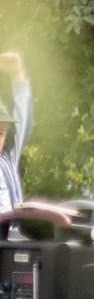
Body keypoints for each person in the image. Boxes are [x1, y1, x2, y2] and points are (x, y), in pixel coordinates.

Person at [0, 51, 30, 214]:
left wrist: (17, 74)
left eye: (1, 133)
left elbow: (21, 118)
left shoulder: (7, 159)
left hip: (9, 236)